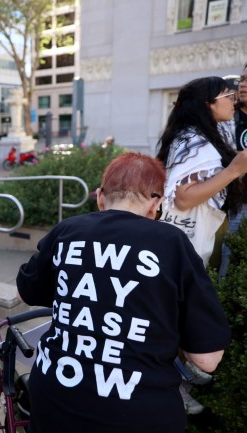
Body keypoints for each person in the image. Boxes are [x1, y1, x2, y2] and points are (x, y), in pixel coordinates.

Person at [16, 153, 231, 433]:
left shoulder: (67, 230)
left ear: (100, 197)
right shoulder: (172, 244)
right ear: (156, 204)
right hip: (139, 415)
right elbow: (207, 358)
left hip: (53, 404)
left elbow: (26, 293)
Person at [156, 76, 247, 268]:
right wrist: (233, 170)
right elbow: (183, 198)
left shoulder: (200, 134)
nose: (234, 99)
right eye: (227, 95)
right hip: (190, 229)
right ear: (209, 104)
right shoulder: (193, 141)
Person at [219, 69, 247, 277]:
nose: (243, 84)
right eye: (243, 79)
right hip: (232, 206)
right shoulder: (227, 118)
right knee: (229, 269)